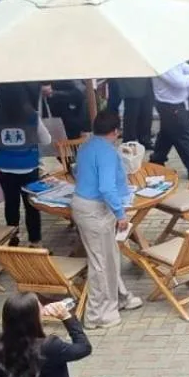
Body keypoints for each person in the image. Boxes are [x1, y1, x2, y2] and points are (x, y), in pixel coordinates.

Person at [71, 109, 143, 330]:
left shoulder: (86, 145)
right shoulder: (107, 153)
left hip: (84, 205)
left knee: (109, 256)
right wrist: (120, 213)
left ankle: (120, 297)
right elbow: (106, 186)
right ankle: (98, 314)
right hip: (96, 210)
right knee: (101, 263)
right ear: (115, 131)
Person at [0, 83, 47, 247]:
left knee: (11, 204)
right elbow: (46, 139)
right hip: (29, 168)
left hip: (4, 168)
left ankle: (12, 236)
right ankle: (35, 241)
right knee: (32, 205)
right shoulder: (32, 116)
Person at [150, 56, 189, 179]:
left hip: (173, 103)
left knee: (167, 135)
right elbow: (179, 82)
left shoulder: (170, 55)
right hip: (170, 104)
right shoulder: (160, 61)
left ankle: (156, 162)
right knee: (184, 136)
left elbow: (182, 65)